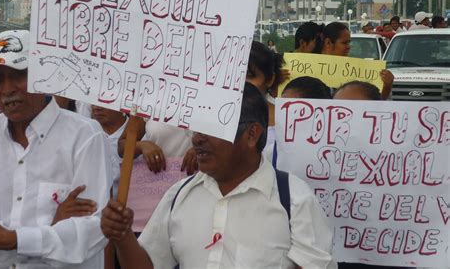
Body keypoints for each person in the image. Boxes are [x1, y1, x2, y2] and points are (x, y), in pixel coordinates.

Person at [101, 82, 336, 269]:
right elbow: (149, 264)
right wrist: (123, 238)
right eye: (196, 127)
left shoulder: (294, 200)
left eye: (211, 128)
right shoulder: (180, 195)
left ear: (252, 134)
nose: (197, 138)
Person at [0, 30, 112, 268]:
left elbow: (92, 231)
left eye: (19, 75)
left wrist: (10, 239)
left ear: (43, 75)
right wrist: (51, 230)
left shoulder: (85, 136)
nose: (7, 89)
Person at [333, 81, 413, 269]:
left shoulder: (405, 156)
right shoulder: (319, 157)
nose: (349, 117)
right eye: (339, 110)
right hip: (338, 256)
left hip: (391, 256)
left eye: (357, 110)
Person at [318, 22, 394, 100]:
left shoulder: (354, 70)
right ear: (328, 43)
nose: (349, 47)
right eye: (344, 43)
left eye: (349, 42)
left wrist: (387, 86)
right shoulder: (312, 68)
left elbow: (375, 104)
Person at [246, 41, 284, 161]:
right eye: (237, 75)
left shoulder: (285, 119)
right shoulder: (215, 118)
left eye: (250, 76)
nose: (242, 83)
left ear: (270, 79)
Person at [91, 105, 129, 197]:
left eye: (103, 101)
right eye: (92, 101)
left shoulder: (143, 135)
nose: (96, 107)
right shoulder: (84, 135)